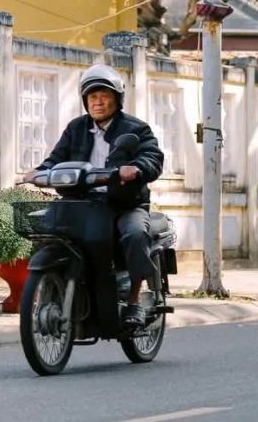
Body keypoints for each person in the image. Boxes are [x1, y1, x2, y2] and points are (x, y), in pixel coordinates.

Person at [22, 63, 164, 328]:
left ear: (116, 99)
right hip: (82, 203)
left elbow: (152, 157)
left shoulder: (135, 128)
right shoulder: (76, 128)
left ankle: (133, 301)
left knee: (134, 234)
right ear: (85, 101)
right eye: (92, 97)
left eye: (104, 96)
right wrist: (38, 172)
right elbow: (56, 158)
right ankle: (55, 287)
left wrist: (137, 168)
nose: (98, 102)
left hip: (124, 203)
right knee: (48, 231)